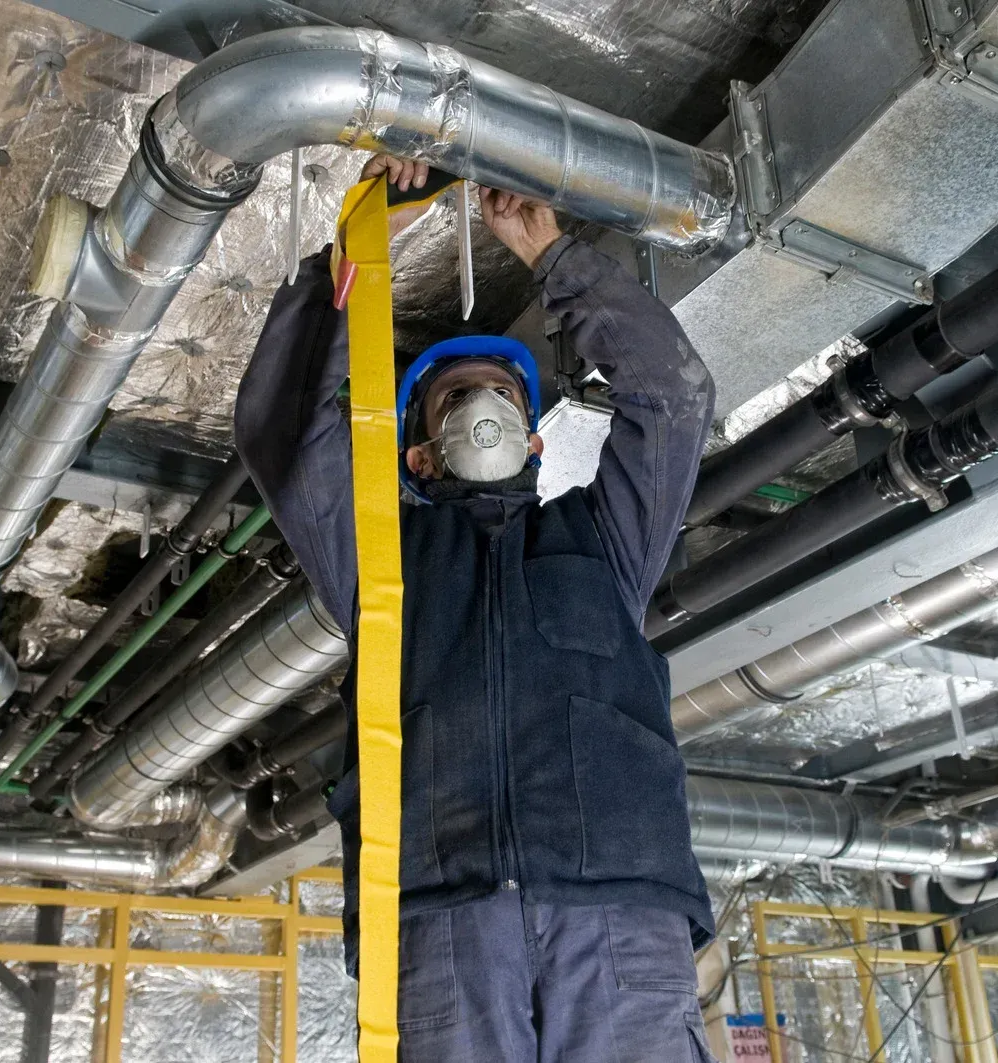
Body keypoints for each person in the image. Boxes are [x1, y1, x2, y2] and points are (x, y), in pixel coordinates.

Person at [234, 153, 719, 1063]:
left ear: (536, 439)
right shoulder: (384, 560)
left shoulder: (605, 543)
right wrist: (369, 241)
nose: (484, 409)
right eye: (456, 401)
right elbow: (284, 431)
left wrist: (552, 256)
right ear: (420, 454)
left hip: (616, 913)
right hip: (440, 918)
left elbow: (673, 397)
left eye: (501, 395)